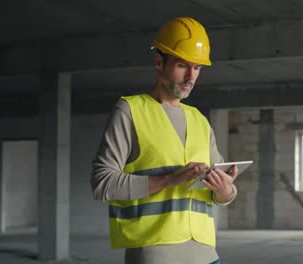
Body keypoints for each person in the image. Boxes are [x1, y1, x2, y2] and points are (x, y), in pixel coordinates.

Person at [90, 17, 238, 264]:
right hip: (155, 255)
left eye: (198, 68)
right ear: (159, 62)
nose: (191, 76)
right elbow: (102, 183)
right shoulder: (130, 111)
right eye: (182, 65)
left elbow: (220, 194)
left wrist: (226, 191)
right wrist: (171, 179)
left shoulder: (199, 120)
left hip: (207, 256)